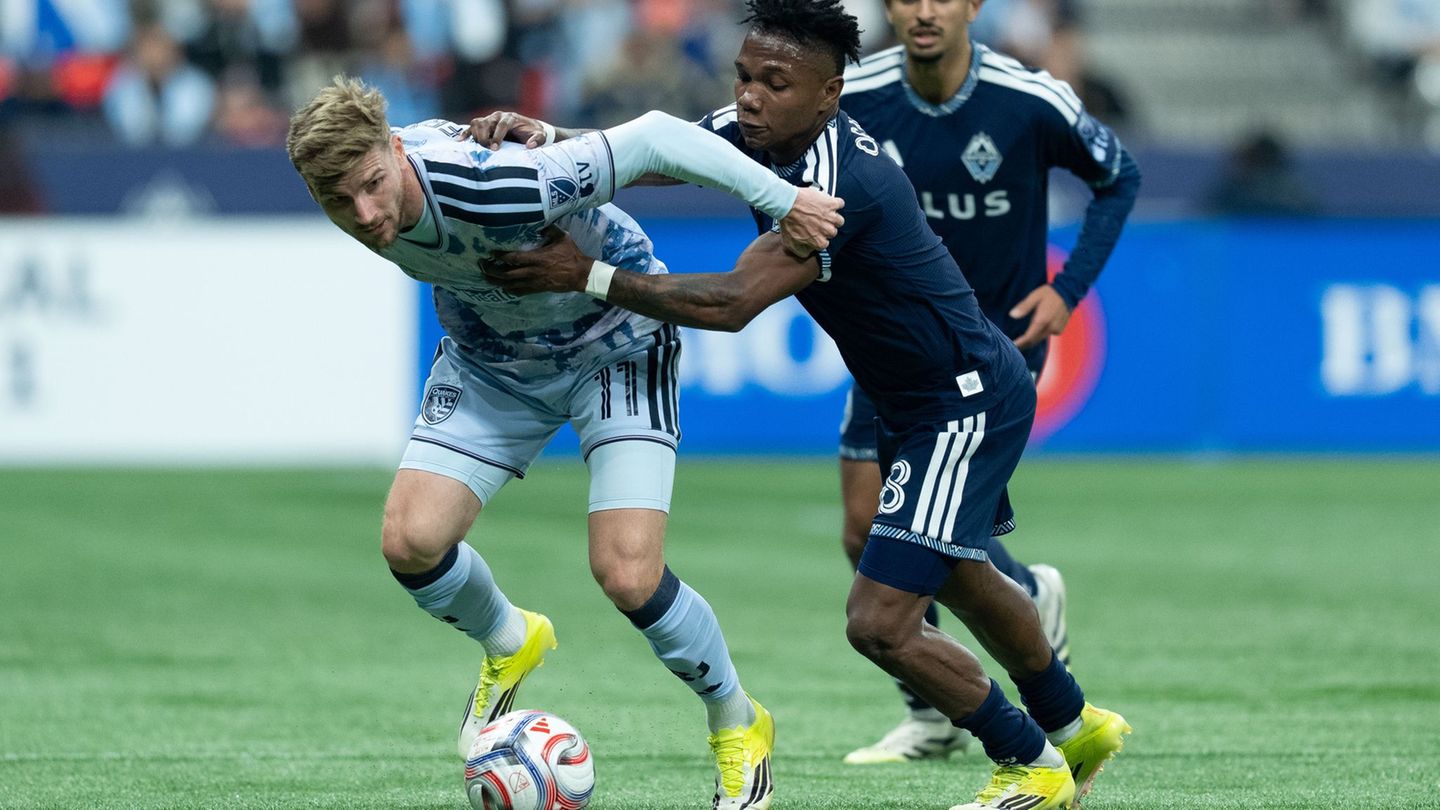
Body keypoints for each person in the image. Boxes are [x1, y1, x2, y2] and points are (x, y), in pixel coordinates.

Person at [479, 2, 1131, 807]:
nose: (750, 98)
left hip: (960, 401)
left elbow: (729, 302)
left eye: (774, 84)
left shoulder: (832, 190)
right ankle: (1076, 725)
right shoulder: (760, 132)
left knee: (880, 622)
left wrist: (584, 274)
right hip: (919, 396)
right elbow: (665, 150)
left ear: (829, 98)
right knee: (957, 575)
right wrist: (553, 144)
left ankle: (1029, 763)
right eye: (744, 77)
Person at [285, 75, 844, 810]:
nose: (364, 214)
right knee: (409, 542)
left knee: (627, 575)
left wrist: (784, 201)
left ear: (394, 150)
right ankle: (511, 639)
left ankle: (739, 723)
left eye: (370, 185)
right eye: (339, 203)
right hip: (494, 362)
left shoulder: (491, 187)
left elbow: (653, 136)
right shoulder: (370, 188)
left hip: (614, 343)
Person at [835, 0, 1140, 764]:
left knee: (933, 533)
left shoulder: (1029, 98)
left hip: (989, 350)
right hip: (893, 343)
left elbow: (1119, 176)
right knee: (864, 528)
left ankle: (1024, 694)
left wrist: (1067, 289)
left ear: (974, 5)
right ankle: (938, 706)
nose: (925, 10)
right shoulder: (854, 93)